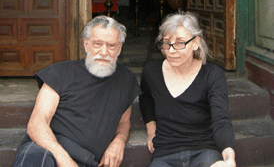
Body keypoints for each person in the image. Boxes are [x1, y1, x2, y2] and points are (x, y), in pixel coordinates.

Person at [13, 15, 141, 167]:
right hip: (49, 151)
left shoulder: (126, 79)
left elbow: (124, 122)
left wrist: (119, 140)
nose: (104, 52)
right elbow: (36, 124)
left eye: (111, 46)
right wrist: (65, 160)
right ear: (86, 45)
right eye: (97, 44)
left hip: (88, 160)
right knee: (35, 157)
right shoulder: (60, 72)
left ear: (119, 49)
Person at [139, 11, 236, 167]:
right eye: (166, 43)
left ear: (196, 42)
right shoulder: (152, 72)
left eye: (179, 43)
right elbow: (145, 97)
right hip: (166, 152)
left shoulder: (212, 74)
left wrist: (229, 156)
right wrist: (151, 129)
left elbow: (221, 119)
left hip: (205, 150)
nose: (170, 50)